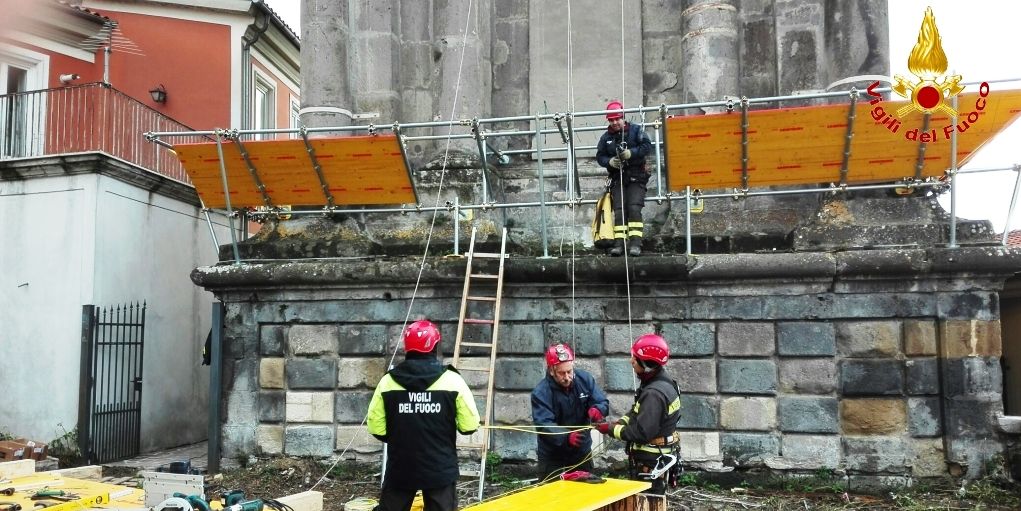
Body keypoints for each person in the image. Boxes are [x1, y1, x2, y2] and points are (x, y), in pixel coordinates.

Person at [367, 320, 481, 511]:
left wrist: (401, 436)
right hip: (440, 467)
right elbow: (469, 426)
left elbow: (376, 427)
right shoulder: (452, 380)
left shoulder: (388, 381)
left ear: (407, 346)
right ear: (434, 345)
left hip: (401, 466)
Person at [594, 334, 681, 499]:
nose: (631, 361)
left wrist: (611, 429)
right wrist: (620, 422)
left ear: (647, 364)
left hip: (650, 462)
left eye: (635, 358)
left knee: (648, 502)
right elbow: (638, 412)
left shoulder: (653, 394)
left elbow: (641, 433)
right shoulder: (662, 382)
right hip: (659, 457)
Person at [530, 342, 610, 481]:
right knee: (552, 492)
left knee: (585, 491)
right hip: (553, 455)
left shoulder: (585, 379)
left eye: (569, 371)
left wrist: (598, 409)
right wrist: (566, 437)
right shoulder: (541, 392)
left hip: (581, 451)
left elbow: (602, 401)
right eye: (562, 373)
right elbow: (543, 424)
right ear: (551, 371)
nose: (567, 377)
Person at [595, 100, 654, 257]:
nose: (615, 123)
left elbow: (647, 146)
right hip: (617, 177)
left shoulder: (636, 130)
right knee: (619, 210)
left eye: (617, 119)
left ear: (623, 117)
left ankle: (635, 243)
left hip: (636, 176)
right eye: (611, 120)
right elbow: (600, 156)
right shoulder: (606, 138)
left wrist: (631, 153)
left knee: (634, 208)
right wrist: (609, 162)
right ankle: (619, 244)